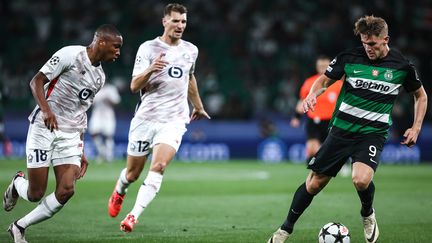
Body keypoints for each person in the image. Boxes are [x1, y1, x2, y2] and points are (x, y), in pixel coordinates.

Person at [268, 15, 427, 243]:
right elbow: (323, 81)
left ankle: (367, 214)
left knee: (361, 179)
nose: (367, 48)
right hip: (342, 130)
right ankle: (284, 230)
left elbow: (420, 96)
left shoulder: (402, 65)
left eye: (372, 44)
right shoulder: (349, 57)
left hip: (373, 132)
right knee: (314, 183)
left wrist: (416, 127)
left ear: (385, 39)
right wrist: (313, 94)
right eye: (364, 42)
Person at [3, 24, 123, 243]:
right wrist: (47, 111)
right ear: (102, 42)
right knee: (35, 193)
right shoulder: (70, 55)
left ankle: (19, 226)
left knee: (67, 190)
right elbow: (36, 81)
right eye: (116, 47)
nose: (118, 52)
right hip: (43, 127)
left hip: (70, 134)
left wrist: (82, 148)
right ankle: (18, 182)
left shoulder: (99, 78)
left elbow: (81, 112)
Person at [107, 3, 210, 233]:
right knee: (132, 173)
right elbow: (134, 86)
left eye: (183, 21)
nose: (180, 25)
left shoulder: (190, 50)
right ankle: (120, 189)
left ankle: (133, 216)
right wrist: (151, 69)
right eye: (175, 21)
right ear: (164, 21)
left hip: (174, 120)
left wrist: (198, 105)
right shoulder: (148, 48)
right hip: (146, 119)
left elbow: (189, 77)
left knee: (159, 165)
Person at [290, 56, 342, 164]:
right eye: (320, 66)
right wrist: (296, 117)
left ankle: (337, 163)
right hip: (313, 120)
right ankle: (315, 169)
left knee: (331, 150)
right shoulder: (310, 83)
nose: (322, 68)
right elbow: (302, 101)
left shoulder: (338, 84)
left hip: (331, 122)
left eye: (324, 66)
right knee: (313, 149)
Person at [88, 82, 121, 162]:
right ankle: (102, 152)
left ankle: (109, 156)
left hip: (108, 115)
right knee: (93, 133)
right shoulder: (94, 88)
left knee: (108, 135)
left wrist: (108, 98)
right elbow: (89, 102)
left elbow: (117, 102)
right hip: (97, 114)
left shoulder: (111, 89)